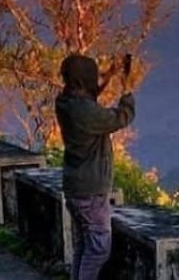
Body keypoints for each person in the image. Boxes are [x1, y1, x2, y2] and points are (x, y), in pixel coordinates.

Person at [55, 53, 136, 280]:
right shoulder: (85, 112)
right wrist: (126, 90)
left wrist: (109, 75)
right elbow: (122, 117)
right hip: (90, 190)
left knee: (83, 245)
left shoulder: (65, 102)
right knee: (99, 248)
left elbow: (88, 99)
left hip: (74, 187)